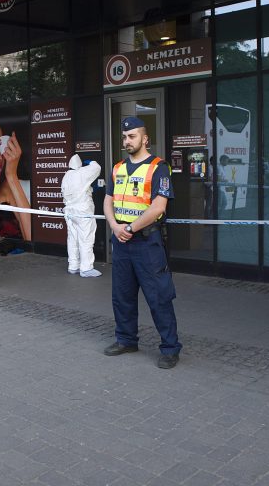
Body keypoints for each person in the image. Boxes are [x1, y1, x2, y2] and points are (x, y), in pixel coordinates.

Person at [102, 116, 182, 369]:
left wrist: (130, 228)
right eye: (124, 137)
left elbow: (159, 206)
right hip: (122, 241)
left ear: (145, 138)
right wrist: (115, 227)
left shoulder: (159, 167)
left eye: (132, 136)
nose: (127, 141)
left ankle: (170, 348)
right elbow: (108, 200)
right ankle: (126, 340)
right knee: (122, 295)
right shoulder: (117, 168)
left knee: (159, 296)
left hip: (147, 243)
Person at [0, 124, 31, 241]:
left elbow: (31, 238)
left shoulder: (7, 189)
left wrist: (11, 175)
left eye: (2, 149)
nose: (0, 157)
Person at [61, 154, 101, 276]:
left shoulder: (66, 176)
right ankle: (86, 268)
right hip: (83, 212)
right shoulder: (82, 172)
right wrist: (91, 162)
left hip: (70, 212)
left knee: (72, 239)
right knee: (86, 239)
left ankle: (73, 266)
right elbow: (97, 168)